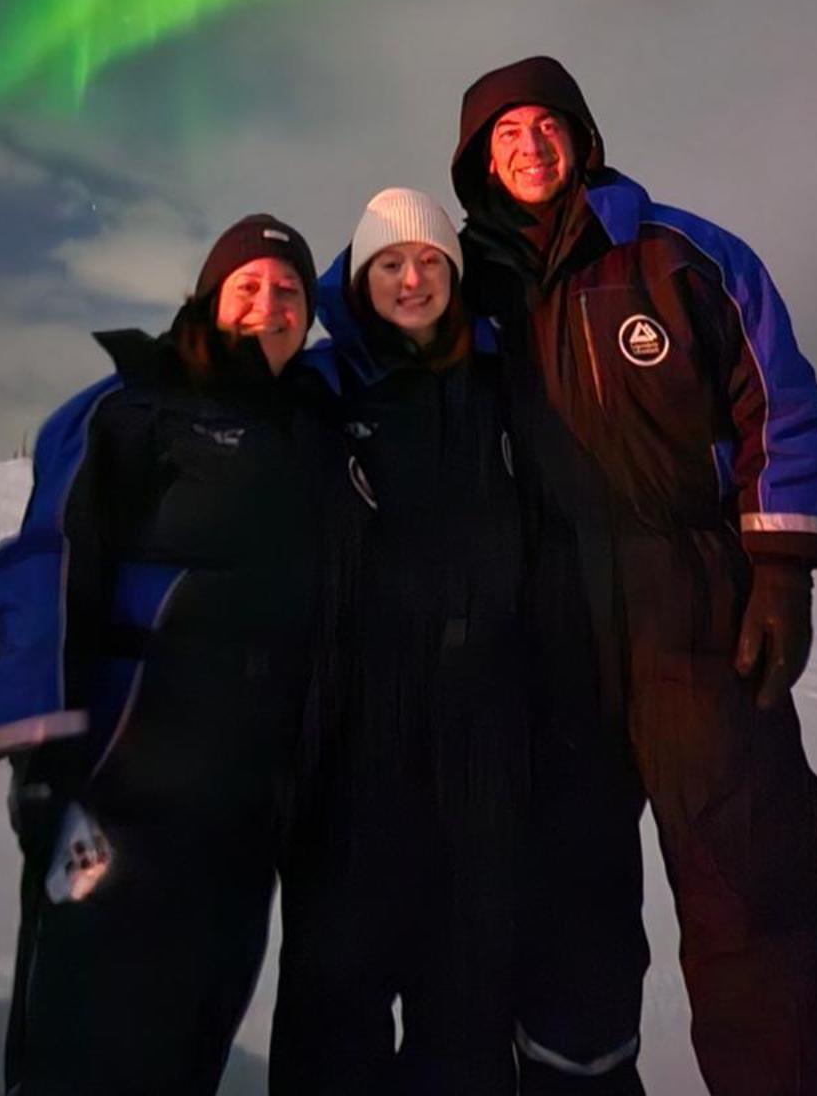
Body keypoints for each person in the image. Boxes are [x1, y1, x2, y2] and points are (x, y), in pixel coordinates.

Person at [452, 57, 817, 1096]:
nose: (529, 146)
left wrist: (780, 565)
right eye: (505, 135)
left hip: (695, 606)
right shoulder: (471, 292)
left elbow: (777, 401)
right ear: (478, 162)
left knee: (749, 887)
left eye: (545, 124)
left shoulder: (681, 253)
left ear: (581, 136)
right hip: (551, 625)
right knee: (569, 899)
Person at [0, 215, 328, 1096]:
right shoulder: (129, 405)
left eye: (289, 291)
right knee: (85, 1040)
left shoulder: (311, 426)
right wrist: (41, 752)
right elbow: (44, 564)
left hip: (245, 805)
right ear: (210, 298)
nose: (268, 304)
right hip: (121, 790)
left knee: (194, 1033)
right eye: (248, 284)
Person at [270, 187, 525, 1096]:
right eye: (389, 263)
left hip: (479, 739)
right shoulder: (323, 387)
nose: (411, 279)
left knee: (466, 1005)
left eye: (428, 262)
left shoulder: (504, 383)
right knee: (334, 1007)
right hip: (352, 742)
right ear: (361, 276)